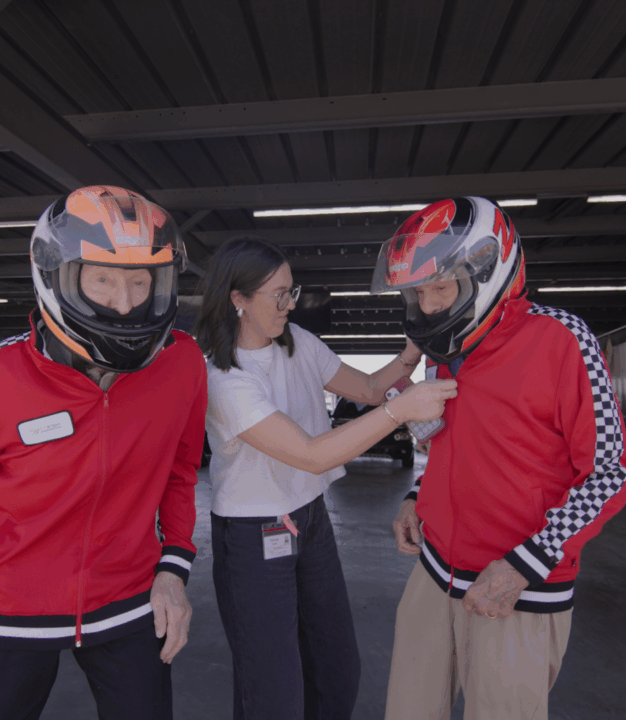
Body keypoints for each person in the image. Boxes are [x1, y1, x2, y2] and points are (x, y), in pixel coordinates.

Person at [0, 186, 207, 720]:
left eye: (140, 282)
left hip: (127, 600)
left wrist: (174, 569)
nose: (125, 303)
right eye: (103, 279)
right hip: (3, 609)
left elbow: (181, 471)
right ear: (56, 276)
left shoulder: (184, 363)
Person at [374, 197, 626, 720]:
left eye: (440, 289)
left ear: (488, 272)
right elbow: (453, 445)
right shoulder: (448, 349)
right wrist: (415, 498)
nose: (427, 307)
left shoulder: (560, 339)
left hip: (516, 588)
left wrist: (525, 564)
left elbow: (612, 472)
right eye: (418, 292)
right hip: (433, 573)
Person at [193, 236, 458, 720]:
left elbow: (372, 390)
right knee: (272, 691)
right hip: (252, 537)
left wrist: (414, 350)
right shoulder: (223, 378)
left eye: (292, 291)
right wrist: (403, 410)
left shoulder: (300, 344)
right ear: (238, 300)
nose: (289, 304)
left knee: (337, 669)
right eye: (278, 294)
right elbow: (311, 455)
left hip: (309, 521)